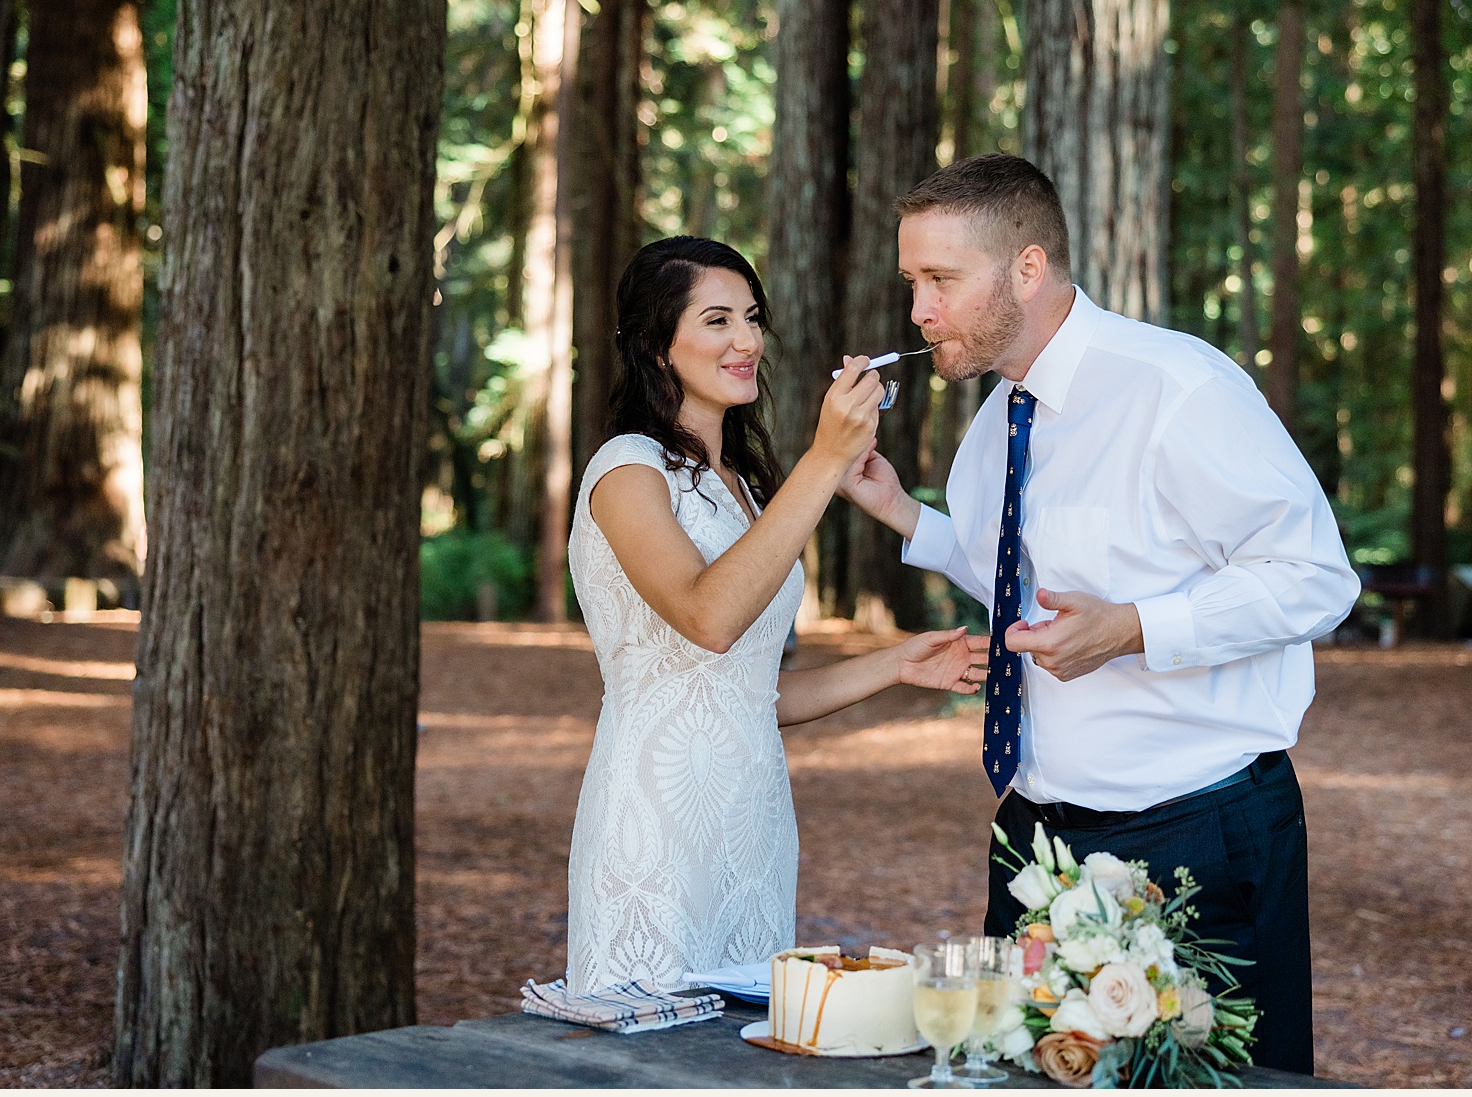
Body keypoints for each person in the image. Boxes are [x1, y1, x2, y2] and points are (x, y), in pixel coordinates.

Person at [835, 154, 1357, 1073]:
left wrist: (1136, 629)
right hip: (1033, 839)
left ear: (1027, 268)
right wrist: (903, 514)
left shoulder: (1179, 389)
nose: (917, 311)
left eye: (940, 281)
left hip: (1198, 838)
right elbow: (1025, 581)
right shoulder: (998, 420)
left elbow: (1316, 578)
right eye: (913, 282)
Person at [563, 236, 992, 991]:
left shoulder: (745, 489)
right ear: (655, 346)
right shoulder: (627, 471)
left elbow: (749, 691)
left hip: (753, 820)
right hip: (655, 822)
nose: (746, 341)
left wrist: (894, 665)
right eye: (718, 320)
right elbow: (709, 619)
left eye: (752, 318)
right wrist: (825, 462)